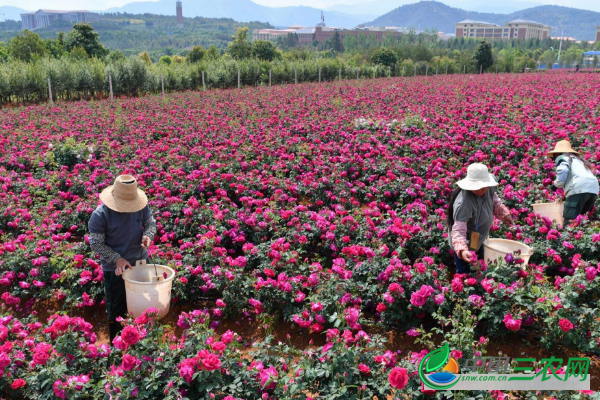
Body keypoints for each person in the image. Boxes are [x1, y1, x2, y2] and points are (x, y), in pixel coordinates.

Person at [88, 175, 156, 342]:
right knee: (117, 311)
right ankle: (117, 348)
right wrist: (117, 258)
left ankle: (143, 345)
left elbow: (150, 223)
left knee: (144, 306)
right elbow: (96, 243)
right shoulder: (100, 215)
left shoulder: (141, 206)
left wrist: (148, 235)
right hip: (115, 269)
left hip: (140, 263)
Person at [447, 163, 513, 273]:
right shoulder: (464, 203)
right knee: (465, 274)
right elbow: (458, 229)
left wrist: (504, 214)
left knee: (479, 269)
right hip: (465, 242)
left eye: (484, 186)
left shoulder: (489, 188)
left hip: (478, 238)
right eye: (477, 187)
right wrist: (463, 250)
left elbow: (494, 200)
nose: (482, 190)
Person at [548, 140, 599, 225]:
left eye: (553, 156)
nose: (553, 158)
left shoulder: (563, 157)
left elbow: (563, 170)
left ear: (558, 153)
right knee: (582, 221)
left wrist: (556, 185)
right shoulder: (579, 160)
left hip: (579, 189)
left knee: (569, 222)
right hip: (593, 190)